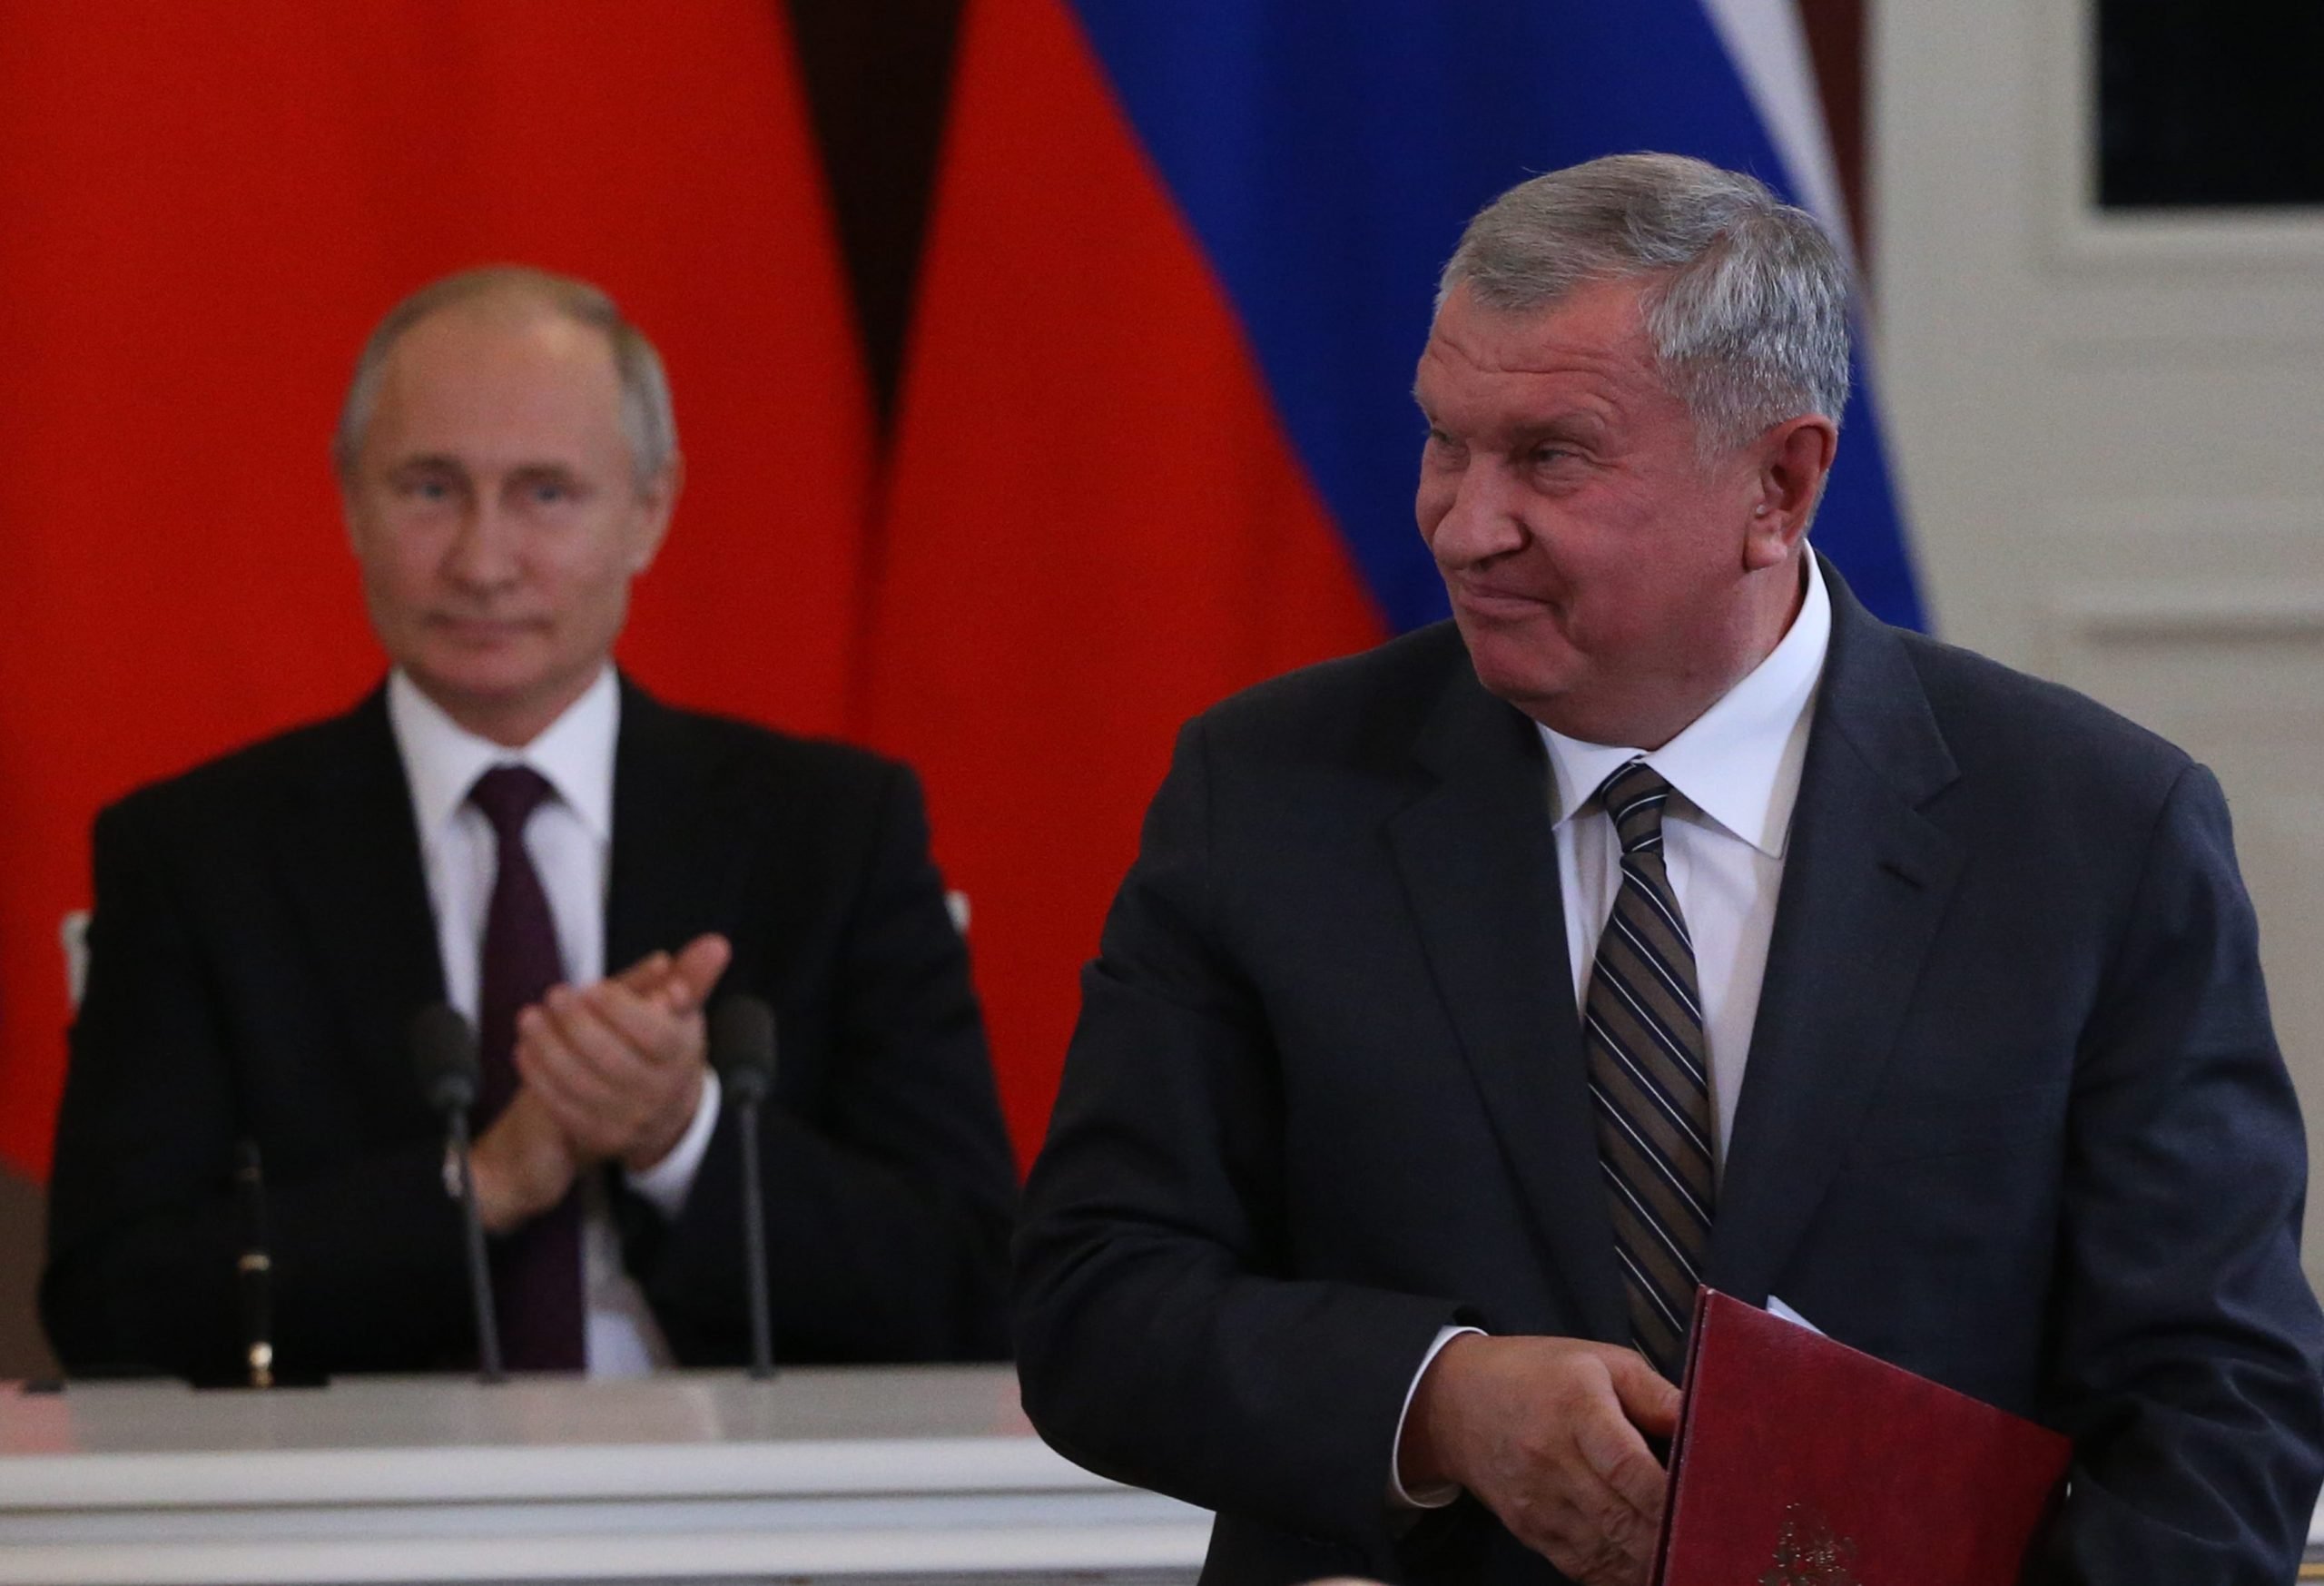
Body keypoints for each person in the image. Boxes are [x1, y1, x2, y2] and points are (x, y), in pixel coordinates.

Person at [1014, 155, 2324, 1584]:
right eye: (1446, 442)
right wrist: (1438, 1396)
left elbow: (2219, 1393)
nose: (1464, 522)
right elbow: (1094, 1302)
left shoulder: (2093, 831)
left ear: (1781, 482)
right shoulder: (1267, 793)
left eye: (1550, 456)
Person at [43, 266, 1017, 1378]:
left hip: (754, 1521)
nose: (483, 561)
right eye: (429, 489)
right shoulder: (195, 859)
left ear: (649, 512)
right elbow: (113, 1305)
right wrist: (486, 1182)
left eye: (546, 493)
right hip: (360, 1523)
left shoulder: (832, 833)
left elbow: (976, 1283)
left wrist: (678, 1135)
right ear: (349, 499)